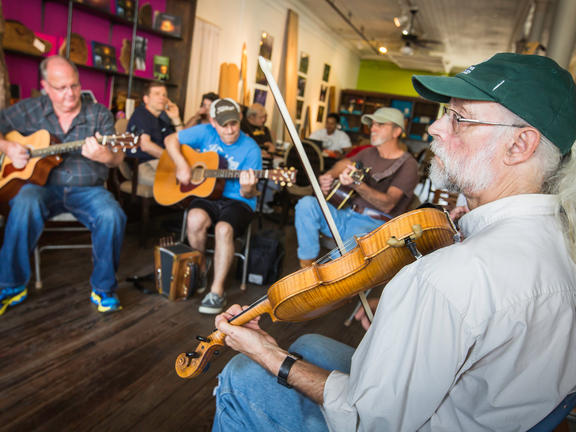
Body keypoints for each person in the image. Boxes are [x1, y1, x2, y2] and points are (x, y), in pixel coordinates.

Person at [210, 53, 576, 431]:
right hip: (491, 410)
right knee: (308, 345)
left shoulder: (448, 278)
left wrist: (270, 355)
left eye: (458, 118)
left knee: (242, 375)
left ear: (520, 145)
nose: (435, 128)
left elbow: (366, 421)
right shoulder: (562, 241)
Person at [0, 55, 126, 315]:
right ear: (45, 86)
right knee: (24, 203)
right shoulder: (29, 109)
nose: (70, 93)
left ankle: (103, 289)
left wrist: (104, 155)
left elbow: (118, 157)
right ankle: (11, 285)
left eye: (75, 85)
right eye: (61, 87)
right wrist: (8, 147)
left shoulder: (99, 114)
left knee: (111, 214)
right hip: (40, 186)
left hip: (87, 189)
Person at [164, 98, 261, 314]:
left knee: (223, 229)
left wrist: (248, 187)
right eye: (223, 125)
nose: (229, 130)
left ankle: (217, 291)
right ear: (213, 122)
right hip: (208, 194)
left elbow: (250, 193)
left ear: (241, 119)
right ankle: (199, 270)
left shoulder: (251, 149)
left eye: (234, 124)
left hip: (239, 200)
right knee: (195, 218)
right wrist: (182, 164)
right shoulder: (204, 131)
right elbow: (170, 139)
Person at [295, 107, 418, 268]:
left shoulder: (408, 165)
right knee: (306, 204)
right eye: (372, 124)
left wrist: (356, 184)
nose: (372, 129)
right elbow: (344, 163)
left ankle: (327, 279)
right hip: (345, 212)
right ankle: (307, 266)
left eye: (380, 125)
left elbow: (388, 204)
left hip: (373, 227)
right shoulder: (368, 153)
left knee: (337, 265)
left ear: (396, 131)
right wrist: (330, 175)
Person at [126, 81, 183, 186]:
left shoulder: (162, 120)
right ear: (146, 99)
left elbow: (182, 141)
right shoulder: (141, 114)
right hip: (144, 166)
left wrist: (176, 118)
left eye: (164, 95)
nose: (162, 97)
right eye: (157, 94)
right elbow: (145, 145)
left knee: (186, 179)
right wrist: (176, 159)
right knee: (181, 183)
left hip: (162, 164)